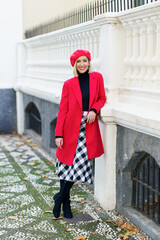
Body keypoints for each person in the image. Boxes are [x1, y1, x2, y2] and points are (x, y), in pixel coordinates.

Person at [53, 49, 106, 219]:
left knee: (77, 166)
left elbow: (101, 98)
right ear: (74, 65)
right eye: (78, 62)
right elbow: (63, 110)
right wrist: (58, 134)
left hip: (87, 128)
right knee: (67, 165)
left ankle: (59, 197)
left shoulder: (97, 78)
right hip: (70, 129)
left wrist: (94, 109)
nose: (82, 64)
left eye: (85, 60)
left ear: (89, 62)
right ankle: (65, 201)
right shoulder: (69, 84)